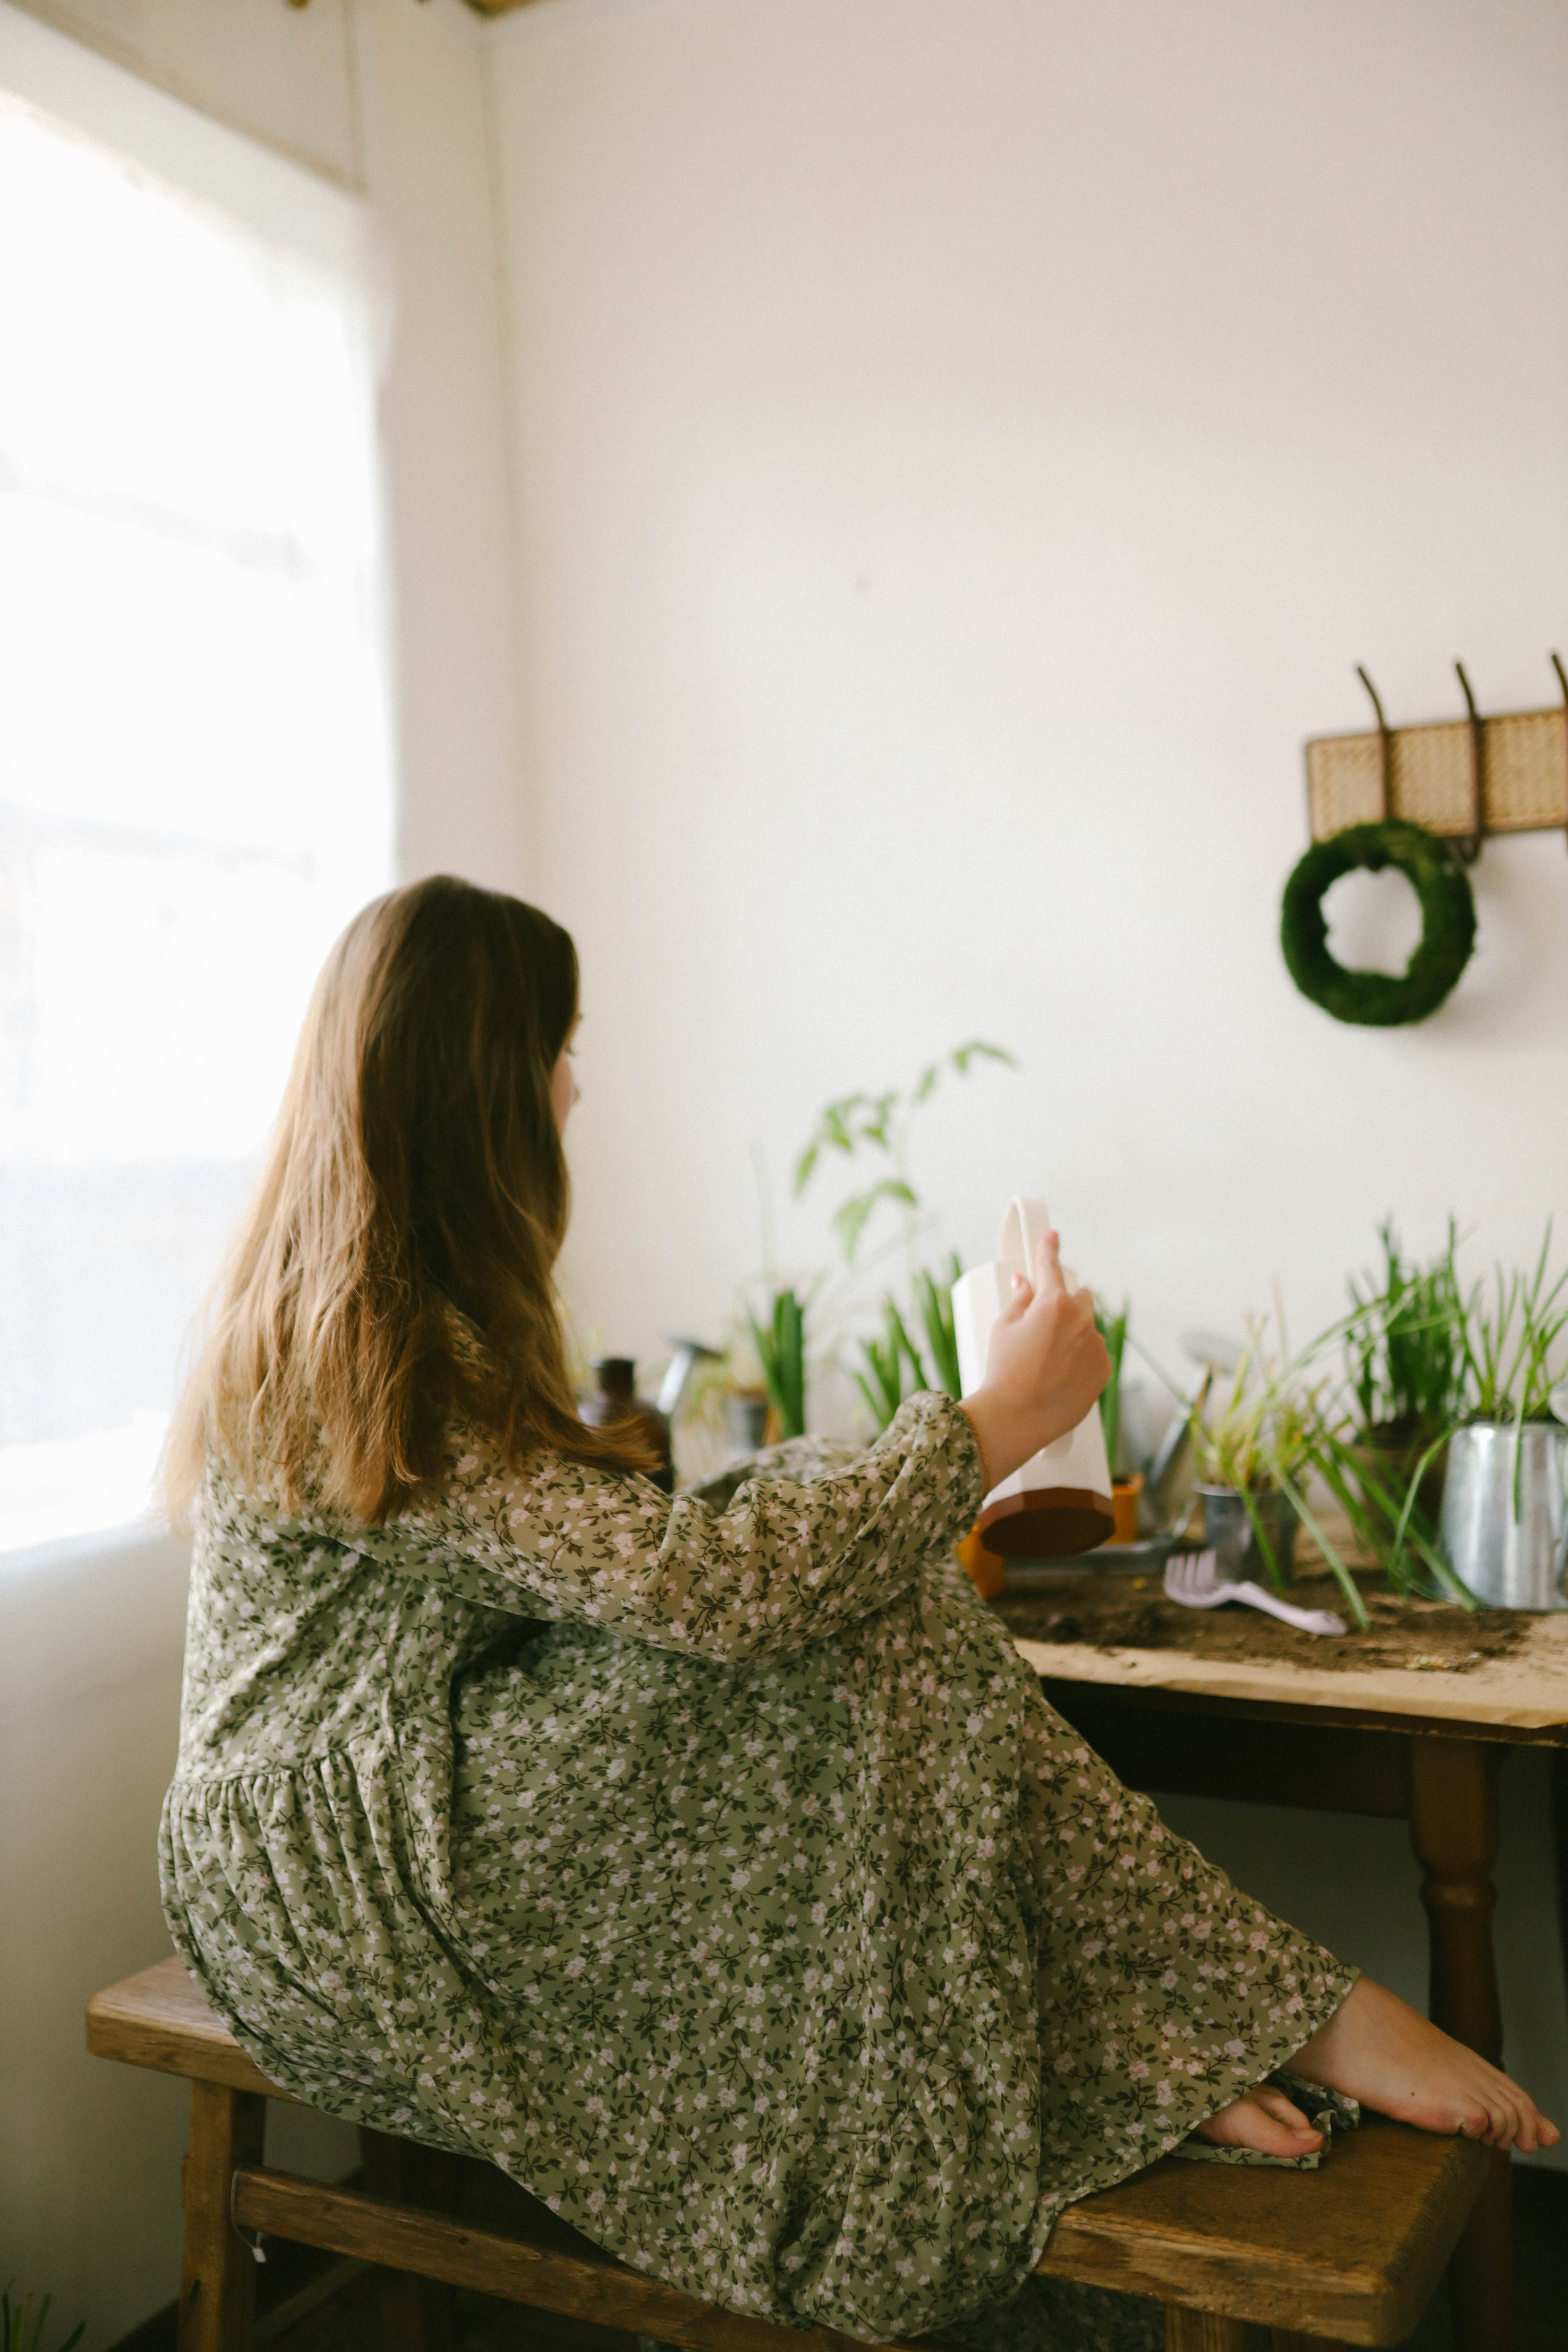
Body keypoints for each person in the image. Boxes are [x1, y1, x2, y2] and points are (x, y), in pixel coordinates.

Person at [160, 877, 1556, 2351]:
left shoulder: (377, 1312)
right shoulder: (364, 1346)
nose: (579, 1081)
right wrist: (988, 1427)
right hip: (322, 1888)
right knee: (852, 1603)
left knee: (840, 1569)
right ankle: (1250, 2011)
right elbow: (716, 1591)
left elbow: (681, 1564)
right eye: (558, 1045)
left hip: (386, 1810)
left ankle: (1201, 2020)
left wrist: (945, 1445)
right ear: (484, 1082)